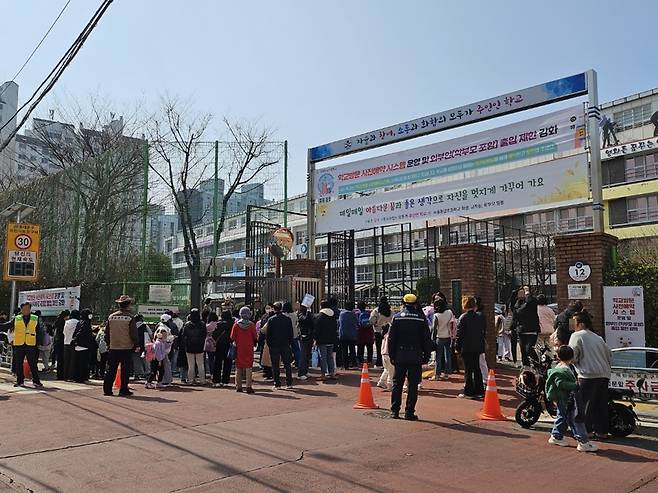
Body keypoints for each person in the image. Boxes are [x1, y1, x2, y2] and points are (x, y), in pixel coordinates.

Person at [569, 310, 612, 440]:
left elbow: (573, 355)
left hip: (587, 375)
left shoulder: (577, 336)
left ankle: (586, 431)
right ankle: (602, 432)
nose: (572, 325)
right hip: (604, 374)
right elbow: (609, 354)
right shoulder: (597, 337)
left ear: (581, 324)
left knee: (585, 406)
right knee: (601, 405)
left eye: (574, 322)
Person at [546, 345, 598, 452]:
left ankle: (556, 436)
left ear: (559, 356)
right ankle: (583, 442)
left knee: (563, 417)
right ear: (572, 357)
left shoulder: (560, 367)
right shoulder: (564, 369)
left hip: (564, 399)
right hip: (567, 399)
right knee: (576, 419)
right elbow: (560, 383)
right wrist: (574, 385)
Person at [388, 294, 432, 420]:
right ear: (416, 303)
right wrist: (427, 355)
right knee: (412, 385)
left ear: (403, 303)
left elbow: (392, 339)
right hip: (416, 355)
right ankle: (409, 412)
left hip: (400, 355)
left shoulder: (397, 318)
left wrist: (392, 355)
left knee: (397, 384)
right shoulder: (421, 318)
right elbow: (426, 339)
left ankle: (394, 411)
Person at [103, 295, 139, 397]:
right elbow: (133, 334)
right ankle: (123, 390)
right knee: (125, 370)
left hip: (113, 347)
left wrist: (109, 343)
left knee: (110, 369)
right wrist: (136, 344)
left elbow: (107, 333)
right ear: (128, 305)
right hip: (126, 348)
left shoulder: (111, 317)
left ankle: (107, 390)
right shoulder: (130, 317)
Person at [455, 296, 485, 399]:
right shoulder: (478, 316)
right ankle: (479, 390)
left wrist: (457, 347)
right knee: (476, 368)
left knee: (468, 369)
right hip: (477, 346)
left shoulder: (463, 317)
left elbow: (460, 334)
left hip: (466, 347)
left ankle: (468, 391)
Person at [10, 302, 43, 388]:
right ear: (21, 309)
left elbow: (39, 331)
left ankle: (36, 381)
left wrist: (39, 343)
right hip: (19, 344)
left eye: (28, 308)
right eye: (24, 308)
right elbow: (8, 326)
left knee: (33, 363)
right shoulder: (16, 318)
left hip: (30, 344)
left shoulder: (35, 318)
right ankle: (20, 381)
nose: (26, 310)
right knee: (18, 363)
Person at [265, 302, 295, 390]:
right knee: (287, 364)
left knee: (275, 365)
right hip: (285, 344)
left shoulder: (271, 319)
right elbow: (291, 333)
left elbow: (268, 334)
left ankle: (277, 383)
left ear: (274, 308)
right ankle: (289, 382)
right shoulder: (287, 319)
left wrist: (269, 344)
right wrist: (289, 342)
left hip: (274, 345)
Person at [231, 306, 258, 393]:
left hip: (239, 348)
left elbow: (232, 336)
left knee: (238, 367)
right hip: (249, 348)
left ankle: (238, 386)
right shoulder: (251, 325)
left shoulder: (236, 325)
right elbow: (255, 336)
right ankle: (248, 386)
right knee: (249, 367)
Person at [514, 286, 540, 367]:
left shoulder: (532, 300)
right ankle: (526, 367)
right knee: (523, 351)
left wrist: (527, 293)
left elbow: (530, 303)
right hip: (522, 329)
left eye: (525, 291)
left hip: (532, 329)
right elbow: (517, 312)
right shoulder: (518, 302)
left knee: (528, 349)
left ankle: (537, 364)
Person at [313, 300, 338, 381]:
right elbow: (335, 327)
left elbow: (317, 329)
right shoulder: (333, 315)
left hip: (322, 340)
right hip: (331, 339)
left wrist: (315, 339)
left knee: (323, 357)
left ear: (321, 306)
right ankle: (332, 373)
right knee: (330, 357)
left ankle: (323, 374)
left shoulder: (319, 316)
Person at [181, 308, 207, 385]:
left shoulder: (187, 324)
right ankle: (202, 380)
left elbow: (184, 336)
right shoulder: (202, 324)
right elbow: (204, 335)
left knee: (191, 365)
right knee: (200, 364)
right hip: (200, 347)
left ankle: (191, 380)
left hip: (189, 347)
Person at [432, 297, 455, 380]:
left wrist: (432, 339)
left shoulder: (436, 315)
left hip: (439, 337)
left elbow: (434, 328)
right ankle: (446, 374)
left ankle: (437, 375)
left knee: (438, 357)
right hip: (448, 336)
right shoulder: (449, 312)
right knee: (447, 356)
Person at [71, 308, 95, 383]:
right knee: (83, 363)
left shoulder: (79, 322)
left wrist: (74, 339)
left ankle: (76, 377)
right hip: (84, 345)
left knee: (78, 362)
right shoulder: (86, 323)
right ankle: (82, 377)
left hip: (78, 345)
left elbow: (76, 332)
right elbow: (81, 332)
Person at [369, 297, 393, 368]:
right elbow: (393, 321)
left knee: (379, 348)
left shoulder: (376, 311)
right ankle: (387, 363)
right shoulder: (390, 311)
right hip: (388, 332)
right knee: (387, 349)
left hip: (378, 331)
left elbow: (371, 321)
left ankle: (379, 363)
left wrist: (376, 324)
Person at [212, 310, 234, 387]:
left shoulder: (219, 324)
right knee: (228, 363)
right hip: (229, 345)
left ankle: (216, 381)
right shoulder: (233, 324)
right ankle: (225, 381)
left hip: (219, 345)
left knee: (217, 363)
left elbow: (214, 335)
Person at [296, 302, 315, 380]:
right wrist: (309, 312)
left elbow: (311, 322)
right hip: (303, 338)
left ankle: (305, 371)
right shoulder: (301, 316)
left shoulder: (308, 315)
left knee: (307, 355)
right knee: (303, 356)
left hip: (309, 337)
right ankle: (301, 373)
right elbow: (306, 320)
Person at [338, 301, 358, 370]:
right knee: (352, 350)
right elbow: (357, 323)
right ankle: (354, 364)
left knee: (344, 351)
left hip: (343, 335)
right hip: (352, 335)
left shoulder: (341, 314)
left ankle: (345, 365)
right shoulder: (353, 315)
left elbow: (339, 324)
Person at [132, 314, 151, 380]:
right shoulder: (145, 325)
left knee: (136, 359)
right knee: (146, 359)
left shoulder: (132, 326)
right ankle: (147, 372)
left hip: (134, 345)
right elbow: (150, 333)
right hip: (144, 345)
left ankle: (138, 373)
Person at [63, 310, 80, 381]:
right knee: (72, 361)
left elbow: (64, 332)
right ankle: (71, 376)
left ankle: (65, 375)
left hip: (66, 342)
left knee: (66, 360)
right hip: (73, 343)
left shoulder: (67, 322)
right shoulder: (77, 322)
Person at [53, 310, 70, 380]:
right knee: (63, 359)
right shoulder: (64, 323)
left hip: (57, 342)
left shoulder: (57, 321)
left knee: (59, 359)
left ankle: (59, 375)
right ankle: (62, 375)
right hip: (62, 342)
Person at [356, 300, 374, 366]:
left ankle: (360, 360)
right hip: (369, 332)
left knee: (360, 347)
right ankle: (369, 360)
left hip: (360, 332)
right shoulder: (369, 313)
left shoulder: (357, 314)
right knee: (369, 347)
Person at [282, 302, 300, 368]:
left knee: (285, 350)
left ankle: (286, 363)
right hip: (294, 334)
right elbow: (296, 324)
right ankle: (298, 363)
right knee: (296, 349)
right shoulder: (294, 314)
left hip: (285, 335)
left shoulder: (283, 315)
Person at [376, 324, 393, 391]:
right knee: (391, 371)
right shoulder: (390, 336)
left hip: (383, 354)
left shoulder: (384, 336)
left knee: (386, 369)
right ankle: (390, 385)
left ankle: (381, 381)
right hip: (389, 354)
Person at [205, 312, 218, 379]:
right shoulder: (217, 324)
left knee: (210, 359)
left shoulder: (207, 326)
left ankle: (212, 373)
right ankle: (217, 372)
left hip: (209, 344)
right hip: (217, 343)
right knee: (217, 359)